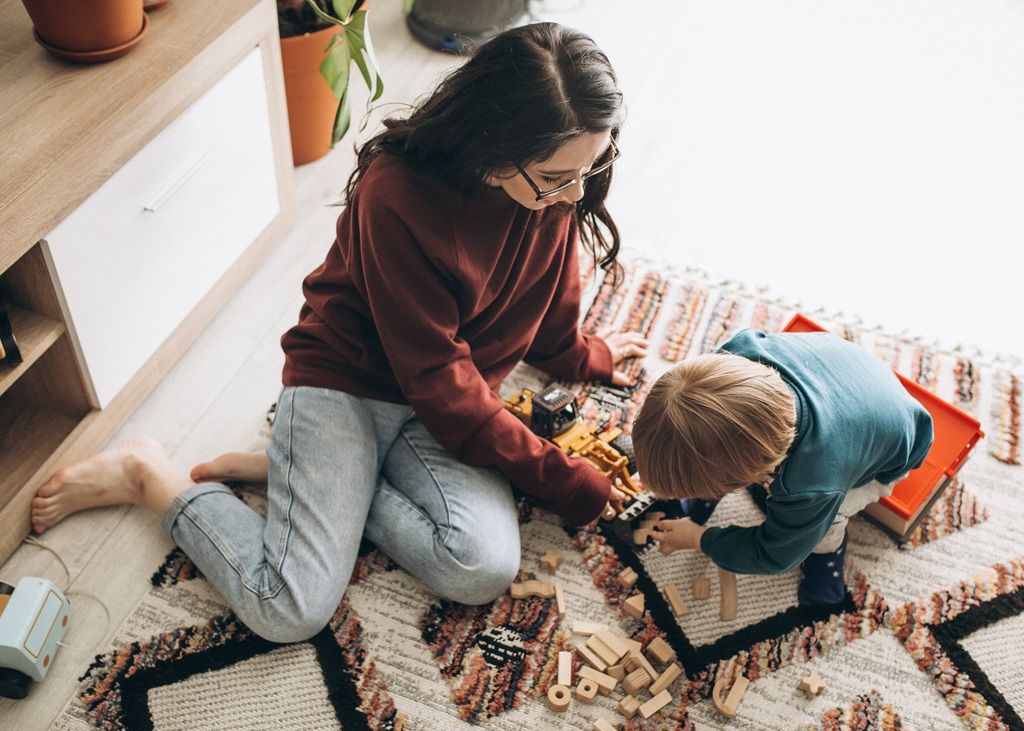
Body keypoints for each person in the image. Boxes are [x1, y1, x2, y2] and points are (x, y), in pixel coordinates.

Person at [30, 22, 648, 642]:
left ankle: (301, 478)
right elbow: (438, 380)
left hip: (449, 402)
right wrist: (561, 479)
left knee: (481, 568)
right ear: (495, 143)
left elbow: (549, 278)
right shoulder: (398, 194)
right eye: (557, 177)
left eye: (591, 167)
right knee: (287, 609)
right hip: (351, 382)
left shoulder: (559, 185)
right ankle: (151, 476)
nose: (575, 194)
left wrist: (577, 354)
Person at [632, 328, 934, 605]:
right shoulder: (732, 354)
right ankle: (709, 485)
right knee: (716, 437)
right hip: (847, 371)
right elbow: (707, 423)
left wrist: (700, 539)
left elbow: (773, 554)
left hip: (898, 445)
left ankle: (827, 559)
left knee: (826, 523)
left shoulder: (810, 484)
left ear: (757, 473)